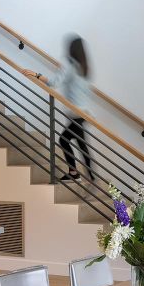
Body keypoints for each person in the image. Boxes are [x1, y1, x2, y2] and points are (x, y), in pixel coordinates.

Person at [23, 35, 95, 183]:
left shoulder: (70, 65)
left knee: (64, 140)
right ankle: (88, 175)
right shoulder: (84, 67)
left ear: (72, 49)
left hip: (75, 113)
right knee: (80, 143)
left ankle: (77, 173)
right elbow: (87, 92)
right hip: (83, 113)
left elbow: (53, 83)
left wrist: (37, 75)